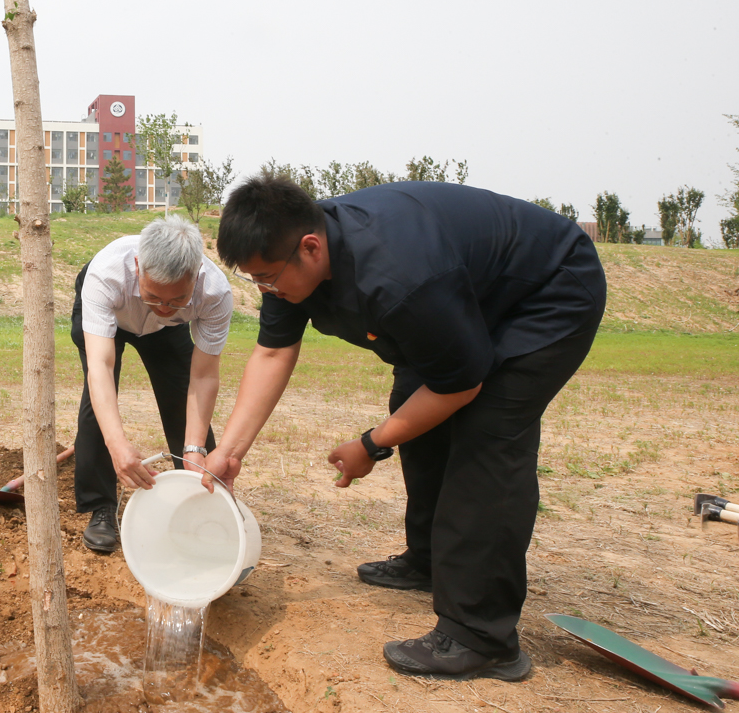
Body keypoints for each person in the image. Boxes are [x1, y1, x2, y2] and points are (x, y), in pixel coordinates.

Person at [205, 174, 605, 681]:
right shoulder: (292, 250)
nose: (266, 290)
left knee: (487, 439)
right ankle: (431, 560)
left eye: (266, 278)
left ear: (310, 248)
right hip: (457, 299)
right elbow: (273, 350)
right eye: (254, 280)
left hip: (546, 291)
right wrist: (232, 452)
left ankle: (481, 636)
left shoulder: (397, 274)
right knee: (412, 406)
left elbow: (460, 386)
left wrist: (371, 444)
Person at [71, 215, 234, 553]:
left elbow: (203, 376)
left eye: (177, 299)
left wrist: (194, 448)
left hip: (167, 332)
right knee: (98, 405)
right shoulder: (106, 273)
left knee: (180, 395)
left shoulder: (215, 293)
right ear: (137, 266)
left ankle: (199, 500)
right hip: (111, 320)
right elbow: (100, 365)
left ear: (195, 277)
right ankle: (101, 506)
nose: (162, 307)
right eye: (154, 296)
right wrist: (119, 447)